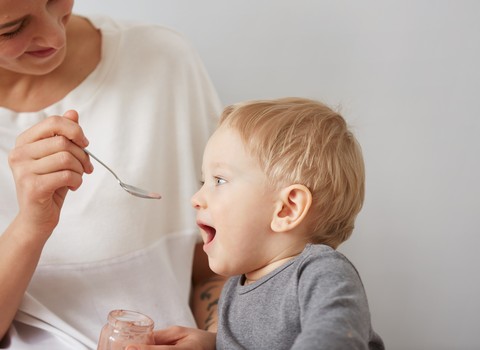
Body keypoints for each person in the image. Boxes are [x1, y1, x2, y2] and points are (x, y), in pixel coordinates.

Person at [0, 0, 225, 349]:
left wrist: (214, 339)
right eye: (11, 29)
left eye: (55, 0)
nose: (54, 36)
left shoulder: (161, 61)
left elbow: (215, 270)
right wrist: (31, 225)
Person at [150, 97, 385, 349]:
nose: (196, 199)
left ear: (287, 209)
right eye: (202, 182)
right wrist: (212, 344)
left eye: (219, 180)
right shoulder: (235, 288)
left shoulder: (321, 273)